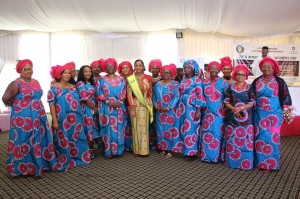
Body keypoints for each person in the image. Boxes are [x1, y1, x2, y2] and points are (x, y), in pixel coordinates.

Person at [2, 59, 56, 176]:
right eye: (25, 69)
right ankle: (22, 168)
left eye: (30, 68)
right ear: (19, 71)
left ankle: (41, 164)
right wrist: (19, 106)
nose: (28, 71)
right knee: (23, 140)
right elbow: (5, 98)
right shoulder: (16, 83)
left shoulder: (36, 81)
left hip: (39, 115)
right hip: (22, 118)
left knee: (39, 138)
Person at [47, 62, 91, 171]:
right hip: (62, 118)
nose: (67, 75)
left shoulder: (74, 87)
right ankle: (65, 159)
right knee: (63, 138)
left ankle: (78, 158)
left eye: (69, 73)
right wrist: (54, 121)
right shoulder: (54, 88)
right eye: (64, 73)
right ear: (59, 75)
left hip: (76, 118)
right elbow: (51, 105)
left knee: (77, 138)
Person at [252, 57, 292, 171]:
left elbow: (285, 96)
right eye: (264, 67)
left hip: (275, 115)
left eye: (269, 67)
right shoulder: (256, 81)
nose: (266, 69)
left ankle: (273, 164)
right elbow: (252, 97)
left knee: (273, 138)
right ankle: (261, 164)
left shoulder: (280, 81)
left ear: (273, 68)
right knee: (260, 138)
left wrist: (286, 109)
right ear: (261, 68)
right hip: (259, 114)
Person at [224, 65, 255, 170]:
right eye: (238, 74)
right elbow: (226, 102)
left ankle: (246, 163)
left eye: (242, 74)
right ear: (235, 75)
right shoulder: (230, 87)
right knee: (232, 139)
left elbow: (252, 102)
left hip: (247, 119)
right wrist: (234, 109)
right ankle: (233, 162)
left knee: (246, 139)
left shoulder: (250, 87)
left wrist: (240, 108)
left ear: (246, 75)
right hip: (233, 118)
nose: (240, 76)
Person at [97, 58, 127, 158]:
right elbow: (99, 92)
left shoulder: (121, 79)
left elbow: (124, 91)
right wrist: (107, 101)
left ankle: (118, 151)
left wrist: (121, 101)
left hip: (119, 107)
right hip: (106, 107)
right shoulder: (101, 79)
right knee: (107, 128)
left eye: (112, 66)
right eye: (108, 66)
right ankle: (109, 151)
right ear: (105, 68)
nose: (110, 68)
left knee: (119, 128)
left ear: (115, 67)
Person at [201, 61, 229, 163]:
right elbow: (201, 97)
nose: (213, 70)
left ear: (219, 70)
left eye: (215, 68)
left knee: (217, 133)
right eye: (211, 68)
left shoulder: (224, 83)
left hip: (219, 113)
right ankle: (206, 156)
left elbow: (228, 98)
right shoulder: (204, 82)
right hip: (207, 112)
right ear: (208, 70)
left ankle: (217, 157)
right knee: (207, 133)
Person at [177, 60, 206, 158]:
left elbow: (200, 95)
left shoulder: (196, 79)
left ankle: (192, 152)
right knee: (183, 128)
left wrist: (198, 110)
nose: (186, 69)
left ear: (193, 68)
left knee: (191, 128)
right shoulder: (183, 79)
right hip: (182, 106)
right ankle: (185, 150)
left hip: (192, 107)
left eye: (188, 67)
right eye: (185, 67)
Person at [127, 59, 153, 157]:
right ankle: (136, 150)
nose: (138, 67)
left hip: (145, 105)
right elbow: (128, 95)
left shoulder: (148, 78)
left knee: (144, 128)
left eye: (140, 65)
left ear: (143, 67)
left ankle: (144, 150)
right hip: (135, 105)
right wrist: (131, 108)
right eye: (136, 65)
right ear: (134, 67)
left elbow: (150, 92)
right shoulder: (130, 79)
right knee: (135, 128)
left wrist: (150, 106)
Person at [153, 64, 179, 159]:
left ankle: (170, 149)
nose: (166, 74)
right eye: (164, 72)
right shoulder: (158, 84)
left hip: (170, 112)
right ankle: (163, 147)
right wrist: (156, 105)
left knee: (170, 130)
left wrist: (168, 107)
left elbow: (176, 97)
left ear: (172, 73)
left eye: (168, 72)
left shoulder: (176, 84)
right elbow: (154, 96)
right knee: (160, 130)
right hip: (160, 111)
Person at [76, 65, 99, 159]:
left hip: (92, 109)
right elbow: (85, 98)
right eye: (85, 71)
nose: (88, 73)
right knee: (87, 128)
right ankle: (87, 150)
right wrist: (94, 108)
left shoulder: (91, 83)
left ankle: (91, 148)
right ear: (82, 73)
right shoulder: (80, 84)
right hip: (85, 109)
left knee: (92, 127)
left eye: (89, 71)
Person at [118, 61, 134, 151]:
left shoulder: (133, 78)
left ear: (130, 69)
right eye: (123, 68)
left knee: (131, 124)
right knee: (123, 124)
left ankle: (131, 145)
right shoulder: (118, 79)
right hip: (121, 104)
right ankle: (123, 145)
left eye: (127, 68)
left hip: (132, 104)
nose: (125, 69)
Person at [148, 59, 162, 150]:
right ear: (150, 69)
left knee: (158, 125)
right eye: (153, 68)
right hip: (148, 103)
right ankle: (150, 144)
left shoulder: (163, 79)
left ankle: (159, 144)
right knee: (149, 124)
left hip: (159, 104)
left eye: (157, 68)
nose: (155, 70)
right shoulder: (147, 78)